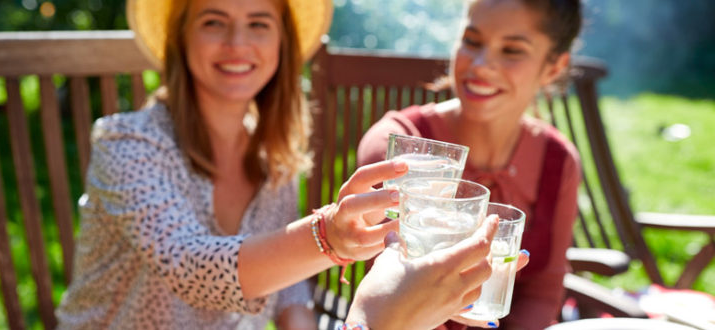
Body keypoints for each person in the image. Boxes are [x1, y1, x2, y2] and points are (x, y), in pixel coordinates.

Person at [54, 0, 515, 329]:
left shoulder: (274, 153)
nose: (238, 43)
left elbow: (288, 289)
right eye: (214, 21)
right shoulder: (127, 143)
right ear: (181, 36)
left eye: (259, 23)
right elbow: (191, 269)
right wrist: (328, 237)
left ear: (281, 41)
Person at [357, 0, 583, 329]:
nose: (480, 64)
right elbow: (390, 293)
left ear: (553, 67)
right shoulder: (400, 148)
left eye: (512, 50)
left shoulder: (558, 161)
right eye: (472, 42)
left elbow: (542, 292)